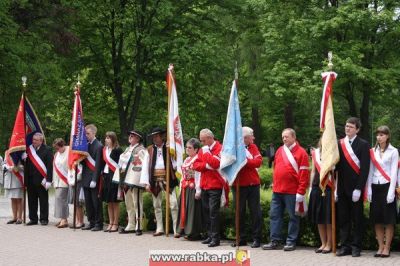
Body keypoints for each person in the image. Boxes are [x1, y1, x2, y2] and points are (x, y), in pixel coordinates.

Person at [262, 128, 309, 251]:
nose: (284, 139)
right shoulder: (279, 150)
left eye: (286, 136)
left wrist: (301, 191)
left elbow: (304, 174)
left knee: (293, 217)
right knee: (274, 216)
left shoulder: (301, 152)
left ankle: (291, 242)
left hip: (292, 191)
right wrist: (274, 182)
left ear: (294, 137)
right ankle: (275, 241)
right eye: (283, 137)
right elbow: (276, 168)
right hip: (277, 190)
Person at [336, 117, 370, 257]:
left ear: (357, 129)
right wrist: (332, 165)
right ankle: (345, 246)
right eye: (346, 126)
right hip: (342, 188)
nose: (347, 128)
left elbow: (365, 169)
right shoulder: (340, 143)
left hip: (356, 188)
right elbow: (338, 165)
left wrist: (359, 188)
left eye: (350, 126)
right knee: (343, 219)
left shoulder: (363, 144)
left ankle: (356, 246)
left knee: (357, 219)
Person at [366, 126, 398, 258]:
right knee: (377, 219)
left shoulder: (394, 151)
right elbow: (370, 171)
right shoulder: (373, 151)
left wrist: (391, 192)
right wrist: (368, 189)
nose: (379, 137)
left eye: (382, 135)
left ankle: (387, 247)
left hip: (387, 186)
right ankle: (380, 246)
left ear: (387, 136)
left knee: (389, 220)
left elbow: (394, 172)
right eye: (378, 135)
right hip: (375, 186)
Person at [231, 127, 263, 248]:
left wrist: (244, 162)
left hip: (253, 184)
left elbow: (258, 162)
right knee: (239, 212)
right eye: (252, 135)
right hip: (238, 184)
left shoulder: (253, 147)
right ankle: (240, 238)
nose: (253, 138)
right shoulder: (235, 149)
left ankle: (257, 238)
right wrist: (247, 162)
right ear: (245, 137)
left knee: (256, 212)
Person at [193, 128, 225, 247]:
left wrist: (206, 155)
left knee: (213, 212)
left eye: (203, 140)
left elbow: (216, 164)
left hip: (215, 184)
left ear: (210, 138)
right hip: (205, 184)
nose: (201, 143)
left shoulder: (220, 148)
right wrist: (207, 165)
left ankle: (216, 238)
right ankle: (210, 235)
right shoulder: (203, 149)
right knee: (206, 211)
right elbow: (195, 165)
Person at [147, 127, 179, 237]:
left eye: (156, 136)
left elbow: (176, 164)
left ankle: (176, 229)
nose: (154, 138)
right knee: (156, 205)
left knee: (174, 204)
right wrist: (146, 182)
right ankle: (159, 228)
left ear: (162, 136)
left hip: (168, 179)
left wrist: (172, 152)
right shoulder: (150, 149)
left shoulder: (170, 147)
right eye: (153, 136)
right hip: (154, 179)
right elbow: (146, 166)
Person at [117, 130, 149, 236]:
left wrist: (142, 180)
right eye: (130, 135)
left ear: (138, 138)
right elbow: (121, 161)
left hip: (135, 179)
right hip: (125, 179)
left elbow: (144, 165)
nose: (130, 136)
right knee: (128, 203)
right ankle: (130, 224)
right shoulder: (127, 149)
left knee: (137, 203)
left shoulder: (141, 150)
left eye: (133, 135)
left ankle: (138, 225)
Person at [308, 143, 332, 254]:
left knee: (328, 217)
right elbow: (313, 171)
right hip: (317, 186)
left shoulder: (333, 153)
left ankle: (329, 244)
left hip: (329, 187)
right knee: (319, 217)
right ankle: (323, 243)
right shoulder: (315, 153)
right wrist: (310, 188)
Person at [176, 138, 203, 240]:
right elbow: (183, 175)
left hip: (193, 187)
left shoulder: (197, 159)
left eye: (190, 148)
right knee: (184, 209)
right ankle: (184, 230)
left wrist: (198, 190)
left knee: (192, 211)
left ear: (196, 149)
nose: (187, 149)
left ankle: (193, 233)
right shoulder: (186, 159)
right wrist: (181, 185)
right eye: (186, 147)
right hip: (185, 187)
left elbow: (199, 175)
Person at [97, 132, 123, 233]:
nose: (106, 140)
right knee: (108, 201)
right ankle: (110, 222)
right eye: (106, 138)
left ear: (113, 139)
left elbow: (120, 165)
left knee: (114, 202)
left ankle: (116, 223)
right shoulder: (104, 150)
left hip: (115, 177)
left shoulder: (118, 150)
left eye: (108, 138)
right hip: (106, 177)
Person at [26, 132, 53, 225]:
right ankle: (33, 219)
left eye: (36, 140)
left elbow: (50, 166)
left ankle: (44, 219)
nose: (33, 142)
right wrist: (23, 159)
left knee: (43, 200)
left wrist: (49, 180)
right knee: (31, 200)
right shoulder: (29, 150)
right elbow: (26, 165)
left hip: (42, 180)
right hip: (30, 180)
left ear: (41, 141)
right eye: (33, 140)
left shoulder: (48, 150)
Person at [81, 124, 104, 231]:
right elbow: (84, 162)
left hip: (94, 179)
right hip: (85, 177)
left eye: (88, 133)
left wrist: (94, 179)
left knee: (96, 202)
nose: (86, 135)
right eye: (85, 133)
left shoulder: (99, 146)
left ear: (94, 133)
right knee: (88, 202)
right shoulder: (85, 145)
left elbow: (98, 164)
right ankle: (91, 222)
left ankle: (99, 223)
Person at [52, 138, 70, 228]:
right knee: (58, 199)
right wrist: (53, 181)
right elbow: (54, 168)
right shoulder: (56, 154)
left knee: (62, 199)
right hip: (58, 180)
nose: (57, 150)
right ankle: (63, 219)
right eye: (56, 148)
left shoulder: (69, 151)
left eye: (58, 148)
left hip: (65, 180)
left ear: (62, 145)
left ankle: (64, 219)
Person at [3, 151, 24, 224]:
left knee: (19, 199)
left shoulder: (21, 152)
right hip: (9, 177)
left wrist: (17, 167)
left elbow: (24, 165)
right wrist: (8, 167)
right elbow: (4, 164)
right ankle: (14, 217)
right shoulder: (7, 152)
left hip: (18, 178)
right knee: (12, 199)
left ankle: (20, 218)